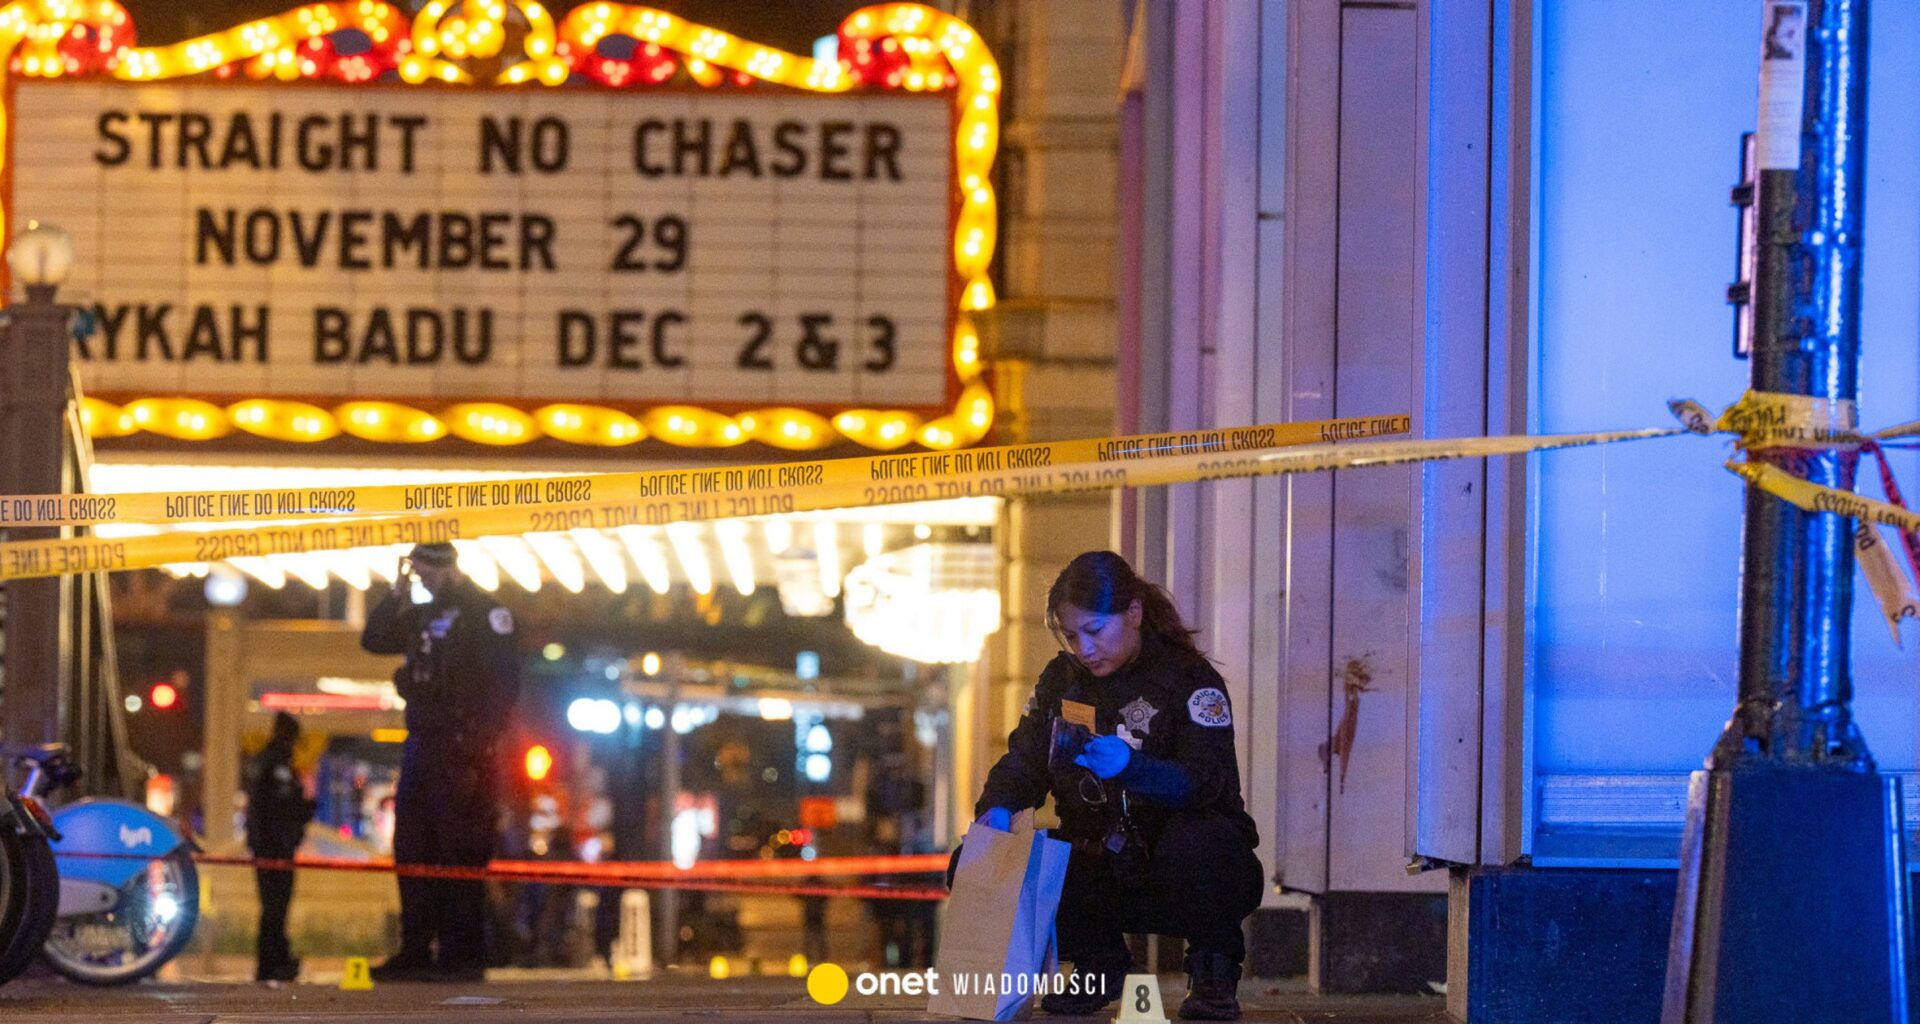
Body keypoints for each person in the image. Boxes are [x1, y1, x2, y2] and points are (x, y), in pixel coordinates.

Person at [970, 551, 1263, 1021]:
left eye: (1095, 631)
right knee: (984, 858)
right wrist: (998, 808)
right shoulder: (1062, 681)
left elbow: (1208, 783)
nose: (1084, 649)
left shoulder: (1188, 680)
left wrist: (1133, 767)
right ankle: (1098, 963)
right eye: (1071, 635)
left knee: (1205, 840)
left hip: (1178, 867)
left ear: (1133, 614)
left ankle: (1213, 969)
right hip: (1100, 861)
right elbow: (1024, 760)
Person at [361, 541, 521, 982]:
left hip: (462, 749)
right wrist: (395, 593)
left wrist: (478, 743)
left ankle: (462, 953)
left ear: (446, 567)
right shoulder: (421, 612)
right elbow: (373, 640)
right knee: (412, 848)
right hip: (423, 745)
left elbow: (506, 684)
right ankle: (416, 949)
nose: (422, 581)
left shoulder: (485, 613)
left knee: (459, 851)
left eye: (425, 573)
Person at [245, 710, 315, 983]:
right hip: (273, 849)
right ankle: (271, 963)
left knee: (276, 908)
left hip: (278, 847)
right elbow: (276, 810)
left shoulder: (275, 763)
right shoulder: (275, 765)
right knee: (274, 907)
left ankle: (277, 959)